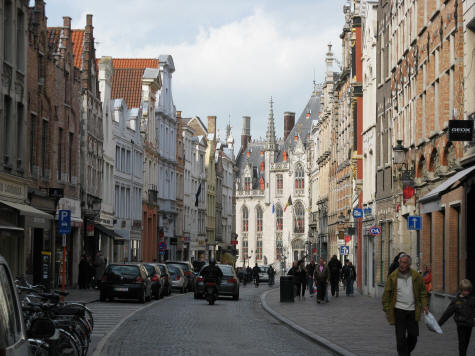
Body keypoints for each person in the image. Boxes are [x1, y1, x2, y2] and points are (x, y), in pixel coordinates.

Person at [382, 253, 428, 356]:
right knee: (400, 337)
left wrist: (424, 305)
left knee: (413, 336)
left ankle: (405, 352)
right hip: (399, 311)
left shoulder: (416, 276)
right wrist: (386, 309)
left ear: (409, 264)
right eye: (400, 262)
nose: (402, 265)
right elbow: (387, 293)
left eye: (404, 263)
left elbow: (423, 292)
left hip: (412, 310)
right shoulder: (393, 276)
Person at [438, 279, 475, 356]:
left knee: (466, 343)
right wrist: (438, 324)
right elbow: (447, 313)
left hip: (469, 324)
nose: (467, 292)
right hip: (461, 324)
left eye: (468, 290)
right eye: (465, 290)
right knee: (462, 343)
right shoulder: (456, 301)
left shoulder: (472, 299)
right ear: (461, 290)